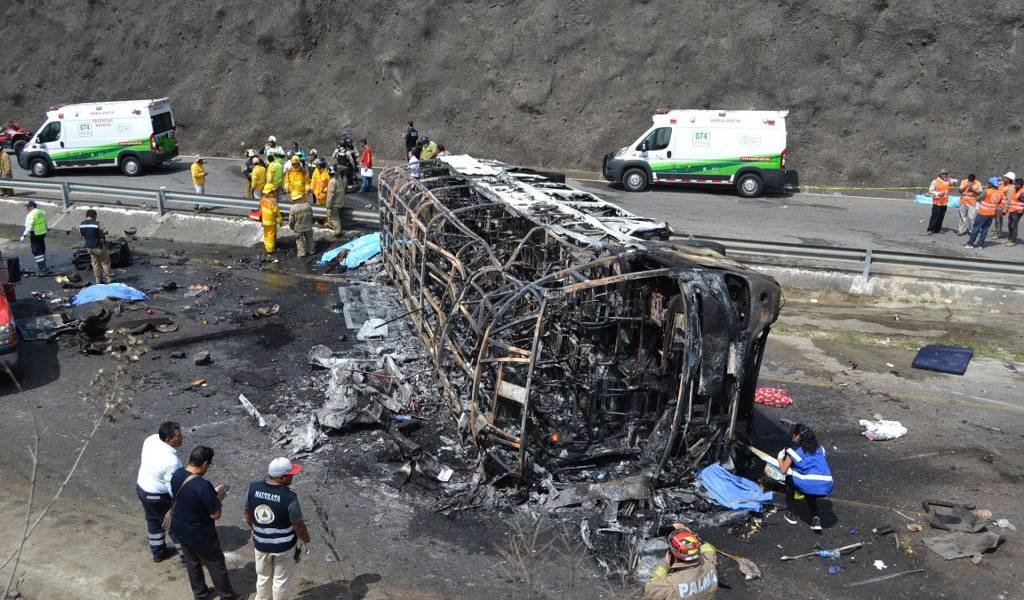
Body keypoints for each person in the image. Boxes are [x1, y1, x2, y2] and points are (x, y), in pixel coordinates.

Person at [169, 446, 248, 600]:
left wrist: (210, 496)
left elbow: (186, 499)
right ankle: (228, 597)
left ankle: (201, 595)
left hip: (180, 529)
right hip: (200, 535)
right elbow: (215, 514)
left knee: (193, 564)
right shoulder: (202, 485)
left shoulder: (177, 474)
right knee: (216, 565)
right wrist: (217, 498)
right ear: (205, 464)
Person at [244, 458, 310, 600]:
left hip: (260, 544)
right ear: (281, 477)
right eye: (290, 474)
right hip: (283, 548)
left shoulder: (253, 488)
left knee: (262, 578)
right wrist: (306, 539)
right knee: (280, 581)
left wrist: (254, 530)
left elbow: (247, 513)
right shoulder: (289, 497)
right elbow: (298, 524)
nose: (293, 476)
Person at [136, 421, 184, 563]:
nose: (182, 438)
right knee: (175, 526)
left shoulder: (151, 439)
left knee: (153, 522)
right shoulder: (171, 461)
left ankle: (158, 552)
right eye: (178, 436)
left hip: (142, 488)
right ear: (168, 439)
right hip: (157, 497)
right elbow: (172, 488)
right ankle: (186, 556)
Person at [778, 423, 833, 532]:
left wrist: (780, 458)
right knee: (809, 485)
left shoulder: (793, 450)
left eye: (794, 435)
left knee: (790, 479)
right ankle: (815, 517)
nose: (793, 437)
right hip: (827, 485)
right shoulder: (821, 449)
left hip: (810, 484)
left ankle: (791, 513)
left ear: (798, 436)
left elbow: (783, 470)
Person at [644, 525, 718, 600]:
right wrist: (689, 537)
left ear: (671, 554)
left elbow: (650, 589)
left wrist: (665, 564)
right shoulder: (710, 562)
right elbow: (708, 548)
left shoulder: (670, 585)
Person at [965, 177, 1004, 249]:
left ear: (990, 184)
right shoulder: (1000, 192)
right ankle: (981, 245)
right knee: (985, 229)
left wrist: (975, 194)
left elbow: (977, 199)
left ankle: (970, 243)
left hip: (982, 212)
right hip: (991, 213)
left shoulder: (987, 191)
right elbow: (1000, 202)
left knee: (976, 228)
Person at [79, 209, 112, 284]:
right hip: (98, 246)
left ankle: (98, 280)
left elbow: (82, 234)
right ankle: (109, 278)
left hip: (89, 247)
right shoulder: (97, 224)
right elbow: (106, 232)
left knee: (95, 263)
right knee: (105, 262)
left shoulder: (82, 224)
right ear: (94, 216)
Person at [20, 201, 48, 272]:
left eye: (28, 207)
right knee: (42, 248)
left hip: (35, 233)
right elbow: (45, 222)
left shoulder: (30, 215)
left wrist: (24, 235)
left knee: (36, 251)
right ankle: (43, 264)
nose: (27, 208)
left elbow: (29, 226)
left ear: (32, 206)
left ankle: (42, 267)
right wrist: (45, 230)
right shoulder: (42, 212)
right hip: (42, 233)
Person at [926, 169, 956, 234]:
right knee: (934, 216)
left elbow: (954, 181)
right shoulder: (935, 181)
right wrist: (938, 194)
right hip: (937, 202)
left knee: (941, 216)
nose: (945, 175)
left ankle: (937, 229)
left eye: (946, 174)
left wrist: (955, 182)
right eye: (944, 174)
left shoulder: (948, 180)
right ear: (940, 174)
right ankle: (930, 229)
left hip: (944, 202)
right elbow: (930, 191)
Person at [260, 183, 283, 254]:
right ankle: (270, 249)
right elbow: (276, 212)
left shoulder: (263, 199)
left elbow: (261, 209)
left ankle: (266, 246)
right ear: (271, 192)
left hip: (264, 221)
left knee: (266, 233)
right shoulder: (273, 201)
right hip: (271, 221)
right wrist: (280, 220)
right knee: (271, 234)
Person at [994, 171, 1016, 239]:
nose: (1004, 178)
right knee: (996, 220)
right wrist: (997, 179)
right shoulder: (1002, 184)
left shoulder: (1011, 188)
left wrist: (1005, 209)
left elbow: (1009, 200)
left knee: (998, 220)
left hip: (1002, 206)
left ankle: (998, 234)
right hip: (997, 205)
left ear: (1009, 179)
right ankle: (997, 231)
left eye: (1005, 177)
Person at [325, 169, 345, 236]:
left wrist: (328, 204)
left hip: (334, 204)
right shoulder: (340, 180)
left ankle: (337, 231)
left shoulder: (332, 181)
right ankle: (329, 224)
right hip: (340, 202)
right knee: (330, 215)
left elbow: (331, 194)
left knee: (334, 218)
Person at [1006, 178, 1024, 246]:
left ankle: (1013, 241)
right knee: (1010, 224)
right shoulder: (1016, 190)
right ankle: (1010, 238)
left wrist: (1022, 209)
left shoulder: (1022, 193)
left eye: (1016, 184)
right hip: (1012, 210)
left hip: (1017, 212)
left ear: (1020, 184)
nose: (1014, 185)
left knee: (1014, 226)